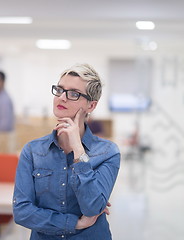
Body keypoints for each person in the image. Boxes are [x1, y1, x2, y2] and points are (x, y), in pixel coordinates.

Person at [13, 64, 120, 239]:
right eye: (60, 90)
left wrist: (79, 151)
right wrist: (75, 223)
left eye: (73, 94)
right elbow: (22, 211)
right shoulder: (32, 151)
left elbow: (92, 208)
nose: (62, 98)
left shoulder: (108, 152)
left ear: (91, 105)